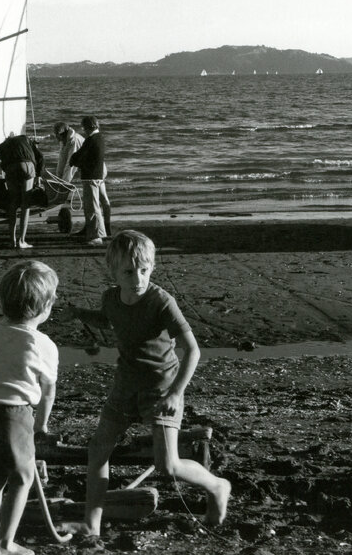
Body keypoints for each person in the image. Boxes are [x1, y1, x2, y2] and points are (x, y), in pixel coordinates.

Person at [66, 230, 231, 537]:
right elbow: (110, 319)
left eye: (145, 270)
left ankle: (217, 485)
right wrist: (80, 315)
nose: (137, 278)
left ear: (152, 267)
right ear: (114, 272)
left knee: (167, 466)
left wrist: (176, 392)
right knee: (98, 450)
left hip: (161, 387)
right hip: (124, 385)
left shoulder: (161, 301)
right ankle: (92, 524)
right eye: (129, 272)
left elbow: (192, 350)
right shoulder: (110, 298)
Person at [0, 260, 62, 555]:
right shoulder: (41, 344)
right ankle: (6, 545)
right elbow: (47, 391)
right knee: (23, 478)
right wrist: (41, 426)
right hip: (12, 414)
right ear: (46, 307)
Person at [69, 116, 109, 247]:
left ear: (88, 127)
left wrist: (73, 160)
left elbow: (79, 156)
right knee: (94, 205)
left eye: (84, 127)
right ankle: (91, 231)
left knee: (92, 207)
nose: (83, 130)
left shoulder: (91, 140)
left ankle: (97, 235)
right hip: (97, 175)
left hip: (90, 176)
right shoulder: (100, 138)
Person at [0, 131, 40, 249]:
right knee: (25, 204)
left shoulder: (3, 145)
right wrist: (38, 175)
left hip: (11, 168)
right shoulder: (25, 139)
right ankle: (22, 241)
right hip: (26, 166)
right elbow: (39, 157)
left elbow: (3, 163)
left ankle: (12, 240)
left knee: (13, 203)